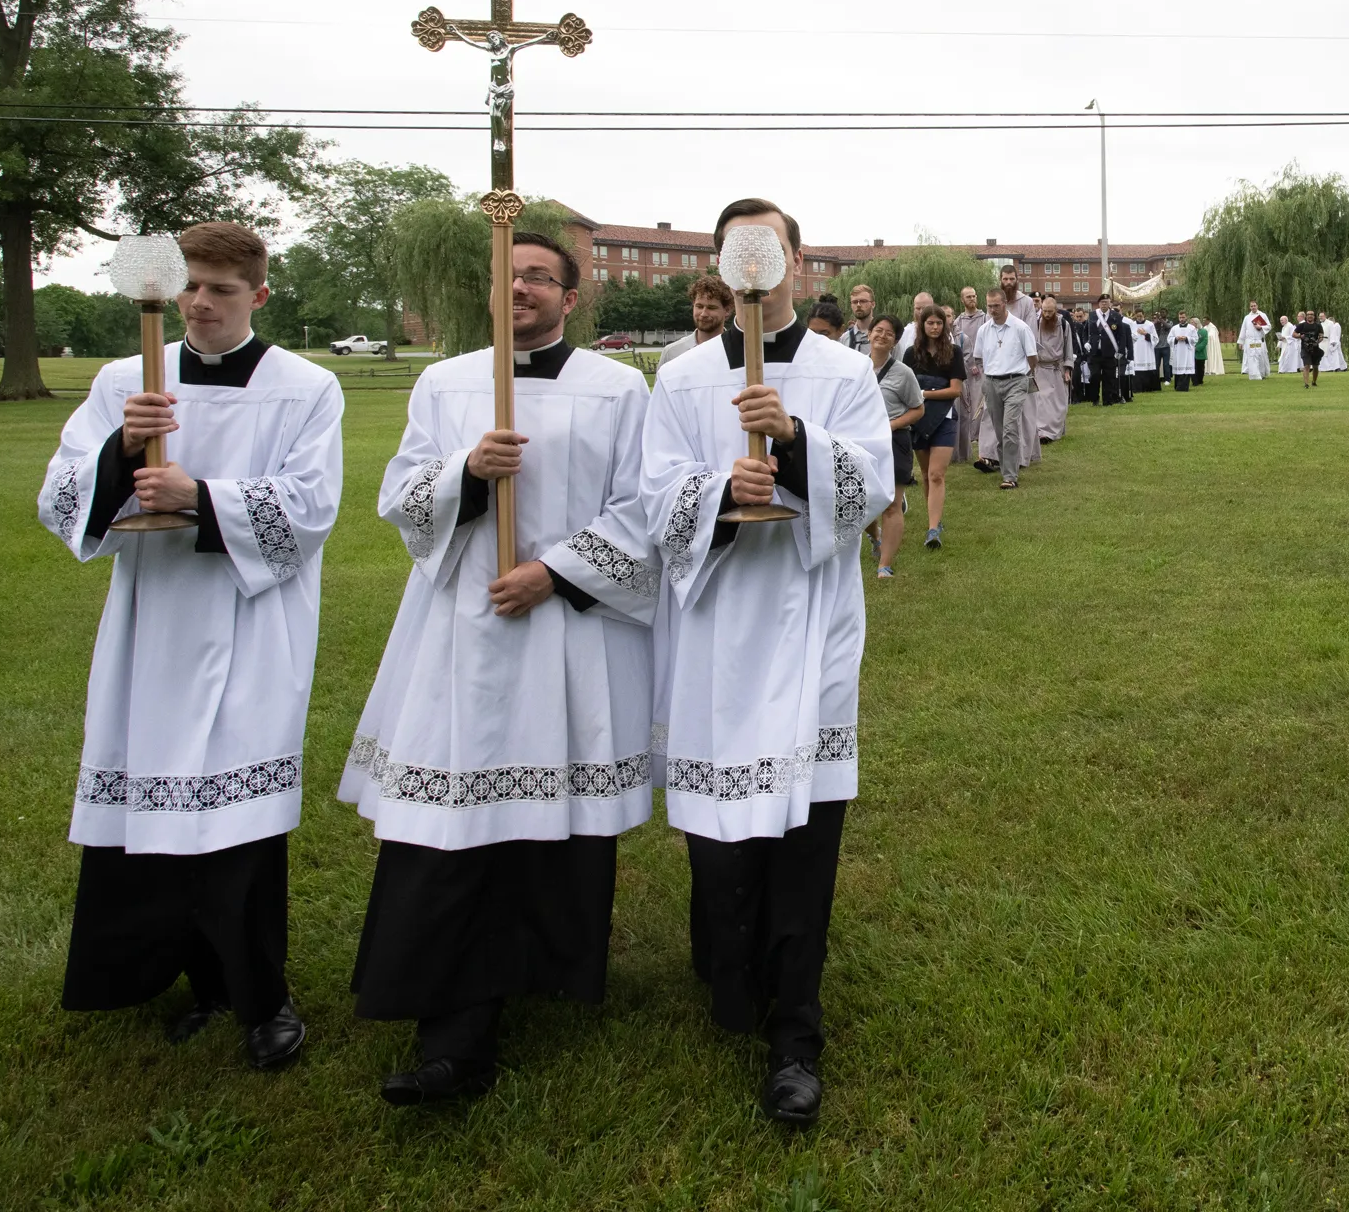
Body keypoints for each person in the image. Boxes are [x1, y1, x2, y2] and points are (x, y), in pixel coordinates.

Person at [341, 231, 656, 1104]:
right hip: (461, 635)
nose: (519, 290)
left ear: (573, 296)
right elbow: (400, 500)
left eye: (538, 278)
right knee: (450, 823)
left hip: (563, 633)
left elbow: (646, 507)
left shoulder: (620, 389)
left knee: (551, 819)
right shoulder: (445, 383)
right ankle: (453, 1028)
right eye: (506, 277)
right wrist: (468, 474)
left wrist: (554, 572)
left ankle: (544, 973)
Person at [36, 221, 343, 1073]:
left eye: (221, 290)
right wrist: (120, 451)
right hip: (153, 623)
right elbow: (60, 495)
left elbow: (311, 508)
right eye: (191, 288)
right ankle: (168, 976)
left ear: (259, 296)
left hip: (251, 619)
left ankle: (257, 997)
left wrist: (200, 494)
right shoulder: (123, 380)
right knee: (149, 797)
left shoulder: (306, 387)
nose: (201, 304)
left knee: (237, 820)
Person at [642, 198, 892, 1127]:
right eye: (734, 250)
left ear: (795, 260)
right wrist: (717, 489)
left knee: (804, 835)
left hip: (810, 623)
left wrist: (791, 446)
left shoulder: (842, 371)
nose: (752, 265)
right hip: (715, 633)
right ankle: (730, 974)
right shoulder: (681, 379)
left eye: (769, 248)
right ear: (717, 263)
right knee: (721, 837)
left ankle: (797, 1031)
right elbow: (651, 495)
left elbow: (872, 487)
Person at [864, 316, 925, 578]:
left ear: (896, 341)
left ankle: (885, 564)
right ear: (869, 334)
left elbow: (918, 409)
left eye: (889, 333)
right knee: (863, 501)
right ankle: (875, 535)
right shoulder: (856, 367)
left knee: (892, 503)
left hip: (894, 441)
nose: (882, 336)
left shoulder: (903, 373)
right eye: (878, 330)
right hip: (862, 441)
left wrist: (891, 425)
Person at [903, 306, 966, 549]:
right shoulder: (911, 354)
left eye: (939, 323)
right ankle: (935, 520)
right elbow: (905, 389)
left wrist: (924, 392)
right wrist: (922, 395)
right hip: (918, 420)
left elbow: (955, 390)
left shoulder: (954, 352)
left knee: (937, 474)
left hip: (945, 419)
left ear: (944, 325)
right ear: (922, 325)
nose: (935, 327)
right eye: (930, 323)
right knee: (927, 475)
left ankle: (932, 530)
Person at [975, 287, 1037, 489]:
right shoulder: (984, 330)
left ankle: (1010, 476)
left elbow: (1032, 356)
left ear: (1005, 304)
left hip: (1016, 381)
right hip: (992, 382)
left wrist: (1025, 374)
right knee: (1000, 430)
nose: (992, 310)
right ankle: (1006, 467)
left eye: (996, 305)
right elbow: (979, 357)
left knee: (1011, 427)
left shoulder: (1020, 327)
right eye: (989, 306)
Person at [661, 274, 735, 366]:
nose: (703, 314)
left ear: (727, 310)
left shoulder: (739, 352)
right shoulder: (672, 353)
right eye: (699, 306)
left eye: (711, 308)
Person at [952, 287, 988, 464]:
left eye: (974, 295)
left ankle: (979, 434)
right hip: (965, 369)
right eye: (968, 296)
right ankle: (969, 436)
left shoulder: (985, 318)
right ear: (962, 300)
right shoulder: (958, 321)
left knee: (980, 402)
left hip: (982, 367)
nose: (972, 299)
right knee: (967, 404)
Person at [1032, 297, 1074, 436]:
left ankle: (1055, 431)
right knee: (1042, 402)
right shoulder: (1036, 323)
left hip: (1057, 368)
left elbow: (1068, 347)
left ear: (1056, 310)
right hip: (1040, 369)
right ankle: (1043, 432)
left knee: (1057, 403)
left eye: (1050, 311)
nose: (1047, 314)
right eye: (1044, 311)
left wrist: (1068, 368)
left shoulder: (1063, 324)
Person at [1128, 307, 1160, 394]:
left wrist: (1145, 334)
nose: (1139, 318)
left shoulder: (1150, 325)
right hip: (1136, 349)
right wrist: (1134, 336)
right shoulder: (1132, 325)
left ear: (1144, 315)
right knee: (1137, 368)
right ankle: (1137, 388)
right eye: (1137, 316)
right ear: (1135, 316)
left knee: (1147, 368)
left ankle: (1149, 388)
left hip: (1147, 350)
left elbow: (1156, 339)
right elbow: (1129, 337)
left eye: (1141, 316)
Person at [1167, 314, 1199, 389]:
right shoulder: (1174, 328)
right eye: (1180, 317)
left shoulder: (1192, 328)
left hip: (1187, 352)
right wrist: (1176, 338)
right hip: (1178, 351)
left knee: (1186, 369)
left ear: (1186, 317)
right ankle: (1177, 386)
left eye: (1183, 317)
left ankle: (1184, 387)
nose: (1181, 319)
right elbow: (1169, 339)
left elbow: (1196, 339)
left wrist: (1186, 338)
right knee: (1178, 368)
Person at [841, 284, 877, 350]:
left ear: (873, 304)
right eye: (854, 302)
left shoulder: (882, 337)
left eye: (863, 301)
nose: (858, 305)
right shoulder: (844, 339)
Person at [1239, 305, 1271, 380]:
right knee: (1252, 356)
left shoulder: (1263, 315)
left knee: (1260, 356)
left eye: (1254, 306)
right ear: (1250, 307)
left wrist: (1261, 327)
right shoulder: (1247, 317)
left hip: (1259, 340)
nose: (1253, 307)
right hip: (1250, 341)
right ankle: (1254, 375)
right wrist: (1241, 342)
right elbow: (1243, 329)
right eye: (1251, 306)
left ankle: (1261, 373)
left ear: (1257, 306)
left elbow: (1269, 326)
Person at [1294, 311, 1324, 388]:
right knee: (1306, 365)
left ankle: (1314, 381)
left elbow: (1321, 335)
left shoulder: (1318, 325)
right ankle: (1306, 384)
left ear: (1314, 316)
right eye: (1308, 315)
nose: (1310, 316)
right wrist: (1301, 336)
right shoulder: (1301, 325)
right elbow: (1294, 334)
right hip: (1305, 348)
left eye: (1311, 315)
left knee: (1315, 366)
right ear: (1306, 316)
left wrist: (1318, 341)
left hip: (1315, 348)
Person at [1277, 309, 1303, 376]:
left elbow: (1293, 336)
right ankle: (1282, 370)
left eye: (1282, 320)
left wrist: (1285, 338)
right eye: (1280, 320)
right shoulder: (1283, 327)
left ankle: (1288, 369)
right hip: (1285, 345)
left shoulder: (1290, 326)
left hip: (1290, 345)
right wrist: (1279, 344)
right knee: (1283, 357)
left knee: (1287, 358)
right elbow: (1282, 336)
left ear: (1286, 320)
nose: (1281, 322)